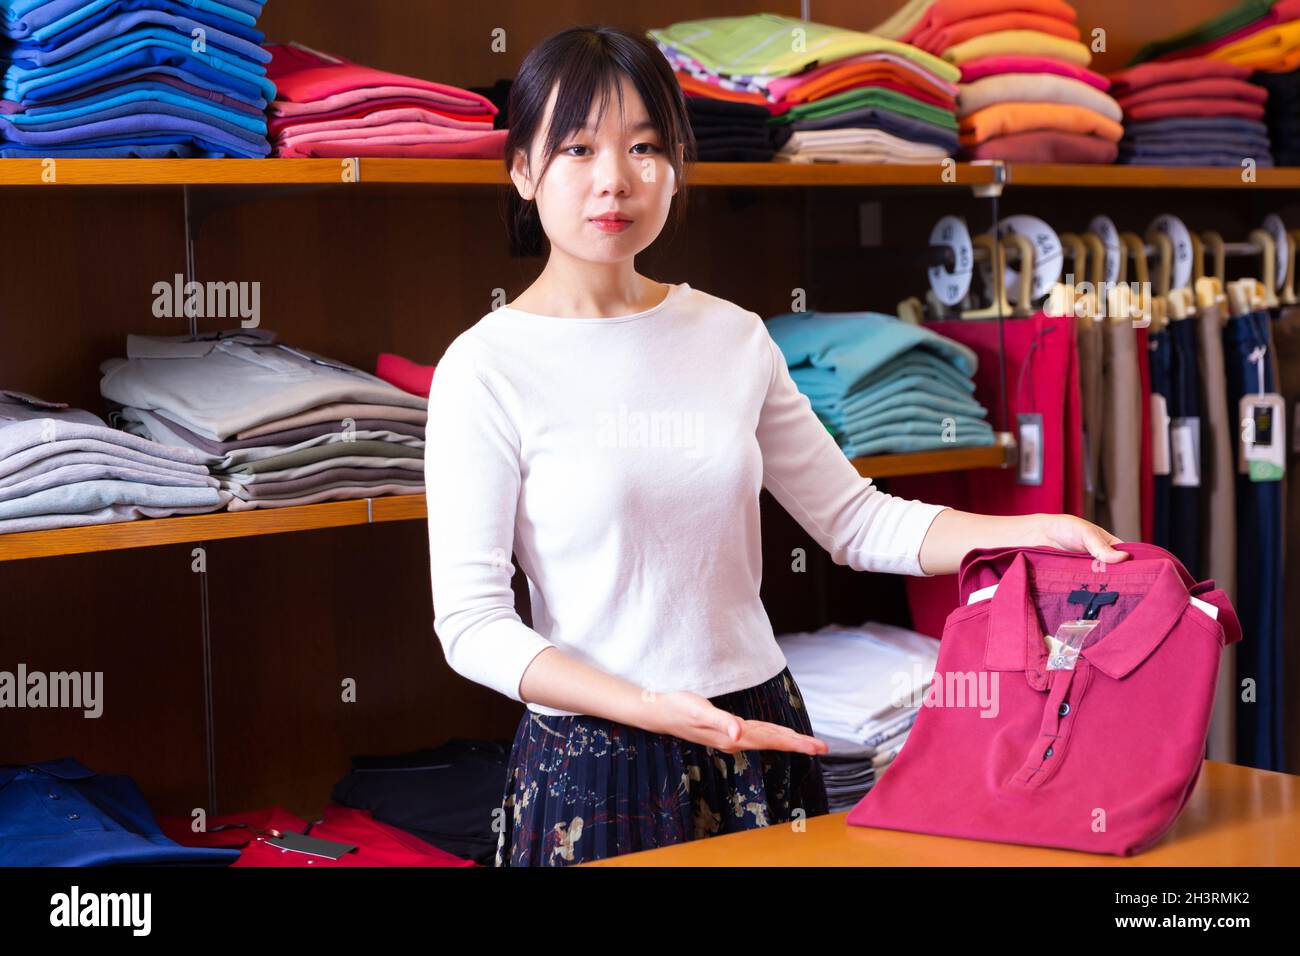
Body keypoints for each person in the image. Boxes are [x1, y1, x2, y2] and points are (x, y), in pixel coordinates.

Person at [424, 24, 1130, 867]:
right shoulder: (485, 366)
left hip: (757, 734)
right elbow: (471, 625)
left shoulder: (731, 335)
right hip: (597, 758)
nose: (614, 178)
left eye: (645, 146)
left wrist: (1027, 531)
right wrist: (647, 705)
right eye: (577, 148)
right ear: (523, 170)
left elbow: (856, 521)